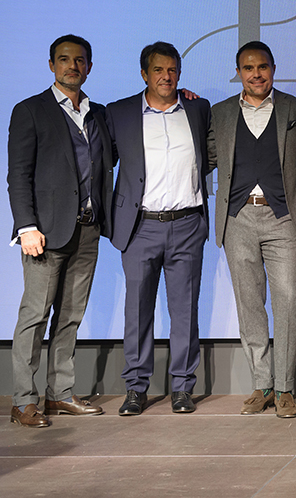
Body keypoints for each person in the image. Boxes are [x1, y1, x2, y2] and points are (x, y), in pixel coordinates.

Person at [7, 35, 112, 427]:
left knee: (70, 316)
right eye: (64, 59)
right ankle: (23, 400)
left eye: (80, 60)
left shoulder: (98, 113)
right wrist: (26, 227)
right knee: (35, 316)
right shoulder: (30, 110)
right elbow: (18, 175)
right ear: (52, 65)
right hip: (45, 234)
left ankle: (60, 394)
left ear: (89, 67)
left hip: (87, 230)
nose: (73, 66)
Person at [207, 41, 296, 418]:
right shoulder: (220, 113)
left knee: (287, 299)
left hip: (284, 217)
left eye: (263, 67)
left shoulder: (295, 109)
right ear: (238, 72)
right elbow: (206, 157)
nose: (256, 74)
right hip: (238, 218)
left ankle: (284, 387)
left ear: (273, 69)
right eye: (248, 68)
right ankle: (262, 383)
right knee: (249, 303)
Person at [105, 41, 212, 416]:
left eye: (172, 70)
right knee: (137, 311)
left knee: (185, 312)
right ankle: (136, 388)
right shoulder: (119, 112)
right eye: (158, 70)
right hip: (140, 227)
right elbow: (103, 162)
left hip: (187, 224)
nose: (166, 76)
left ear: (180, 74)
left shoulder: (197, 108)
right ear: (143, 74)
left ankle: (182, 387)